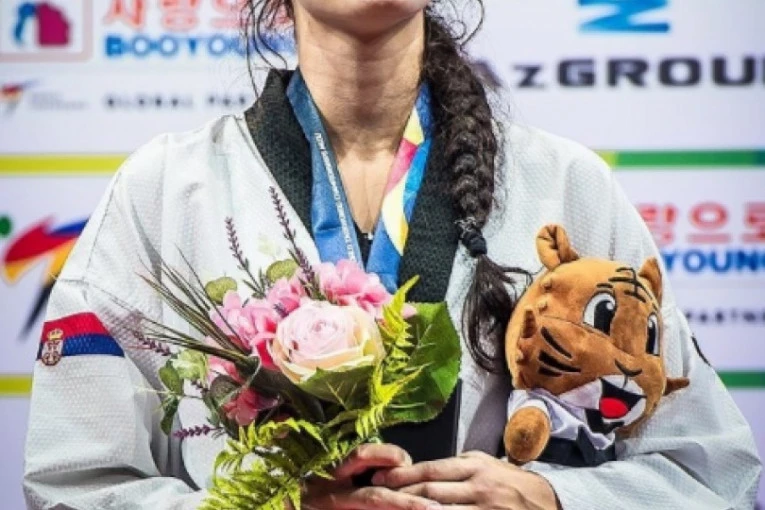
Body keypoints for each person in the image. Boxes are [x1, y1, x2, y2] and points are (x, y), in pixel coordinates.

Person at [23, 0, 761, 509]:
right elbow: (73, 485)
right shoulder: (166, 191)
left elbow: (711, 471)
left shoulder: (565, 186)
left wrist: (551, 496)